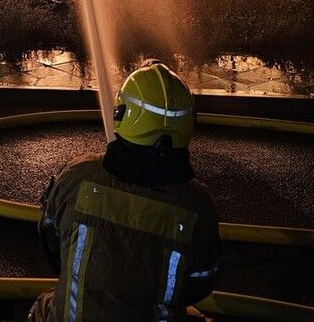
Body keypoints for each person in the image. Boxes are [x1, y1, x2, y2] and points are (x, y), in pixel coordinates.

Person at [30, 60, 220, 321]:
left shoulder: (76, 177)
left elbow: (51, 242)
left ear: (121, 114)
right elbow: (200, 282)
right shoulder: (198, 206)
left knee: (43, 307)